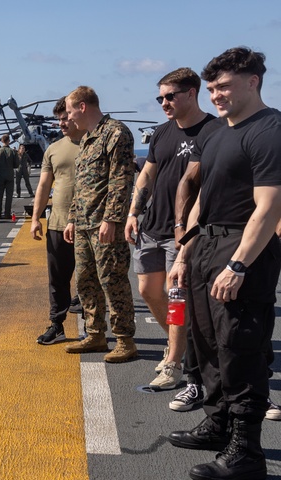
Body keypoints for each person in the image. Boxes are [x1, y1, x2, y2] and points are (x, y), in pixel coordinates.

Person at [165, 47, 281, 480]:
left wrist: (239, 265)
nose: (217, 95)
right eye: (212, 88)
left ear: (253, 82)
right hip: (206, 247)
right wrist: (183, 254)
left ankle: (246, 450)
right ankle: (218, 424)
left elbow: (268, 208)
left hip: (242, 248)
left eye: (225, 86)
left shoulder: (269, 130)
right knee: (207, 343)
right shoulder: (216, 134)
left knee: (241, 347)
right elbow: (200, 199)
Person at [126, 68, 218, 389]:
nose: (164, 102)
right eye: (160, 97)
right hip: (152, 226)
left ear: (191, 93)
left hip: (184, 233)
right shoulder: (163, 132)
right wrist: (134, 212)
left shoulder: (212, 131)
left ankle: (174, 364)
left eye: (170, 96)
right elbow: (147, 175)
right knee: (149, 292)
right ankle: (184, 345)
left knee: (177, 296)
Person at [63, 86, 138, 363]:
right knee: (85, 280)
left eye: (70, 111)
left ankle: (124, 339)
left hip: (105, 224)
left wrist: (111, 219)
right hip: (84, 223)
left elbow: (121, 181)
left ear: (83, 107)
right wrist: (72, 218)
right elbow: (80, 184)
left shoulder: (116, 133)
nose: (69, 118)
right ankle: (94, 333)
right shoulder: (86, 140)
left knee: (112, 280)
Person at [31, 99, 85, 345]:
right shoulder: (52, 148)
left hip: (89, 224)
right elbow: (44, 185)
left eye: (66, 117)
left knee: (90, 278)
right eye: (59, 119)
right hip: (57, 223)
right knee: (57, 280)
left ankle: (95, 327)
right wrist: (35, 218)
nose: (62, 123)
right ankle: (57, 324)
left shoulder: (94, 144)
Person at [0, 134, 19, 220]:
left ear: (2, 141)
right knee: (9, 196)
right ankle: (7, 213)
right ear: (8, 141)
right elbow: (16, 165)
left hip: (0, 175)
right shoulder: (13, 152)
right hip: (10, 176)